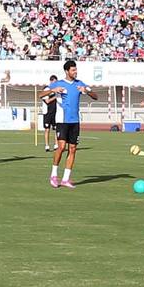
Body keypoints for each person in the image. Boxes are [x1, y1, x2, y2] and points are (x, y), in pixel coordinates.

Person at [43, 59, 95, 189]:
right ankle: (54, 175)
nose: (75, 72)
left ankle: (66, 178)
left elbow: (95, 96)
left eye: (76, 69)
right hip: (62, 121)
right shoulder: (59, 83)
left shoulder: (80, 84)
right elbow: (41, 94)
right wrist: (53, 90)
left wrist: (86, 91)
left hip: (75, 121)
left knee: (73, 149)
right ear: (67, 71)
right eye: (73, 70)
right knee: (61, 147)